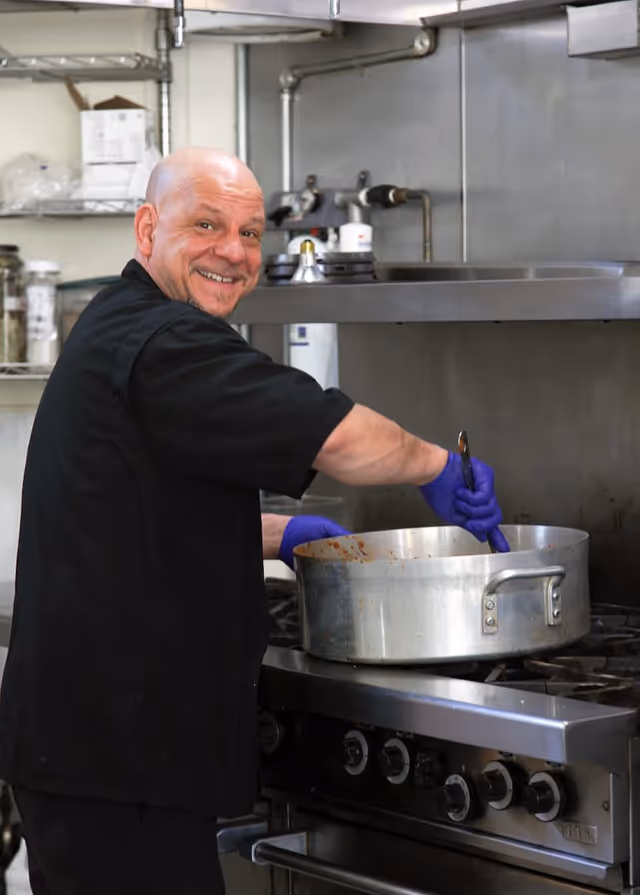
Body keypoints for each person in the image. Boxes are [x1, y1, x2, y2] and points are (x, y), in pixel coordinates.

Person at [0, 147, 507, 895]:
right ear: (147, 229)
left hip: (99, 753)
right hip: (118, 758)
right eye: (206, 225)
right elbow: (332, 433)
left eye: (246, 232)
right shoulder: (168, 342)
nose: (232, 252)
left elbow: (140, 505)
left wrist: (282, 535)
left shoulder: (119, 321)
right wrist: (437, 466)